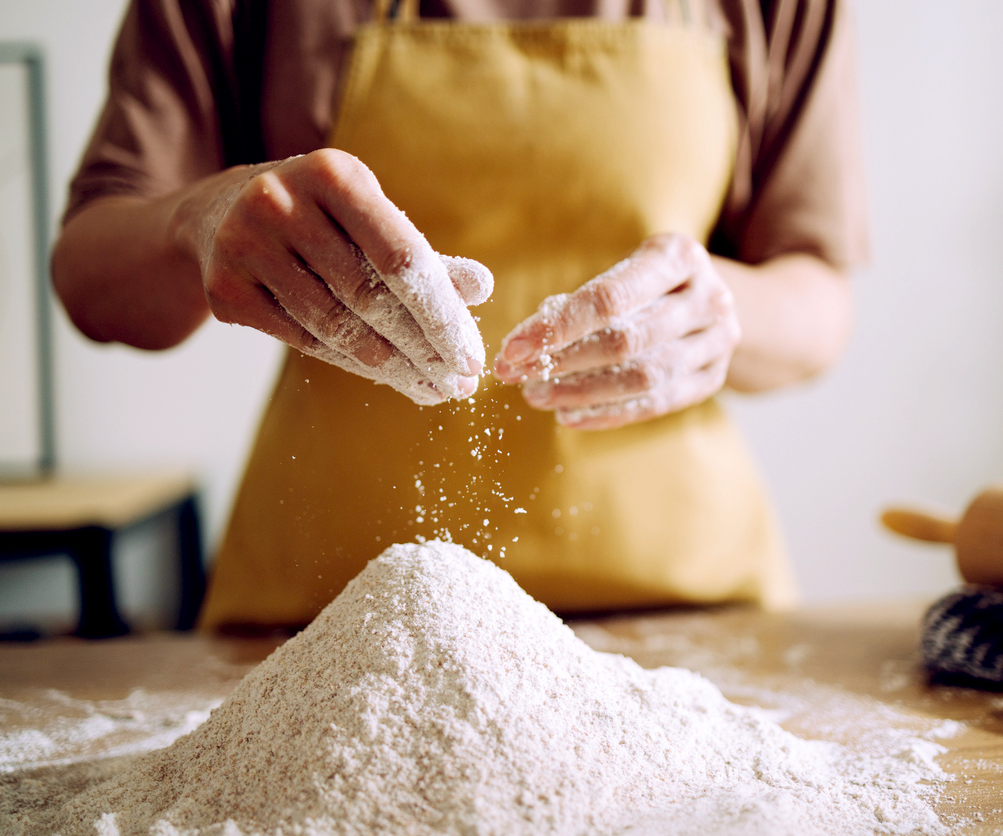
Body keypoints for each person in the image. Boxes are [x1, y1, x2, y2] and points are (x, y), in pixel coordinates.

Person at [52, 0, 866, 629]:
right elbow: (91, 278)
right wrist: (199, 220)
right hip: (328, 622)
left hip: (680, 614)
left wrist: (719, 312)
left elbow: (817, 301)